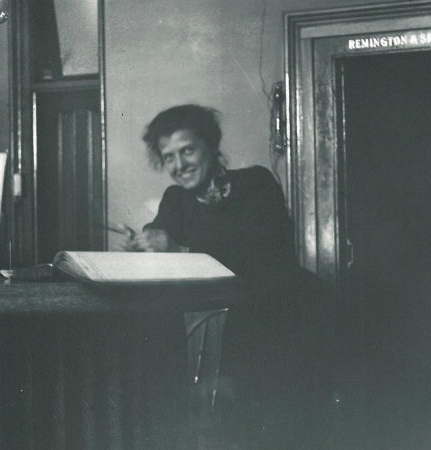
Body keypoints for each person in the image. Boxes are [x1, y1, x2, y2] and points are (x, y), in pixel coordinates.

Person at [124, 104, 334, 449]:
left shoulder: (256, 183)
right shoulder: (176, 199)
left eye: (187, 150)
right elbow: (162, 231)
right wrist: (144, 241)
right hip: (235, 327)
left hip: (290, 318)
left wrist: (178, 250)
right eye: (169, 157)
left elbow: (259, 255)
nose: (179, 166)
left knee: (291, 427)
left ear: (210, 145)